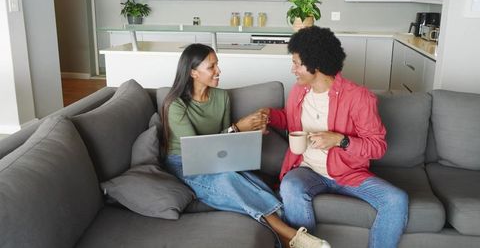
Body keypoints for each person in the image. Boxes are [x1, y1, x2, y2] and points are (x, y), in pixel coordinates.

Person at [161, 43, 330, 248]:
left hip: (214, 160)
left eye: (217, 65)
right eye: (211, 67)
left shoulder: (221, 97)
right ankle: (291, 235)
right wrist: (237, 128)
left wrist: (250, 133)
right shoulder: (176, 105)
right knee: (227, 179)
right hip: (185, 163)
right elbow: (198, 153)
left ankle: (288, 240)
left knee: (254, 183)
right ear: (193, 72)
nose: (218, 71)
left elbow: (223, 145)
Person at [261, 26, 409, 248]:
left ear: (316, 65)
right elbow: (291, 120)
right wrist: (268, 116)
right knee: (291, 186)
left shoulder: (359, 97)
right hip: (307, 171)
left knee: (397, 200)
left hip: (349, 174)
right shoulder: (300, 90)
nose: (293, 69)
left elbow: (377, 146)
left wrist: (341, 140)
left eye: (297, 63)